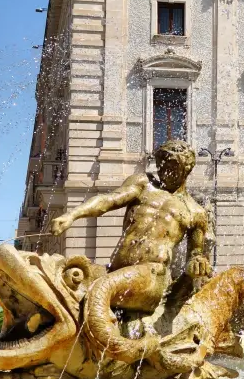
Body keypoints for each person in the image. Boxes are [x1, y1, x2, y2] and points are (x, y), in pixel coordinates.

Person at [50, 140, 209, 363]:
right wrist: (72, 215)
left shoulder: (195, 212)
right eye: (160, 163)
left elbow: (196, 253)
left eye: (170, 165)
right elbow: (108, 200)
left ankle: (115, 351)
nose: (163, 169)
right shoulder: (143, 184)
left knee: (102, 289)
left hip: (151, 278)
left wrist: (197, 265)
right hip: (116, 271)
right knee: (62, 279)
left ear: (186, 169)